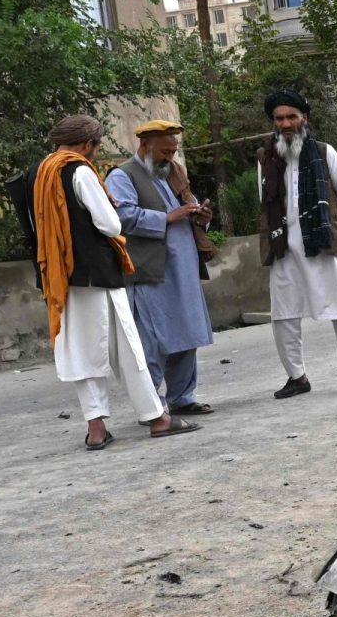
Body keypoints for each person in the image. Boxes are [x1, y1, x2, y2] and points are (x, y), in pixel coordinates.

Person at [13, 114, 197, 449]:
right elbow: (111, 226)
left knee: (82, 352)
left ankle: (96, 429)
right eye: (95, 147)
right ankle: (157, 418)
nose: (95, 154)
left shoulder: (36, 173)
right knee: (128, 348)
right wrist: (109, 205)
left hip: (60, 276)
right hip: (98, 273)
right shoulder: (79, 170)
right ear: (87, 144)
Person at [106, 120, 215, 416]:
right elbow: (121, 216)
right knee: (152, 339)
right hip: (149, 270)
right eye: (165, 151)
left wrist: (200, 216)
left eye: (173, 151)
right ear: (145, 146)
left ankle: (182, 397)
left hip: (183, 268)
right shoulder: (122, 175)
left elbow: (186, 209)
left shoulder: (174, 172)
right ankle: (153, 405)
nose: (170, 157)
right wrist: (168, 217)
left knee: (186, 333)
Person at [261, 90, 337, 399]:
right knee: (283, 314)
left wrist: (326, 225)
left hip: (323, 244)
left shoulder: (323, 151)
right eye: (279, 118)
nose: (286, 123)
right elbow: (265, 200)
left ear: (304, 118)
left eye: (292, 116)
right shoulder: (265, 157)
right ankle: (297, 376)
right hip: (283, 248)